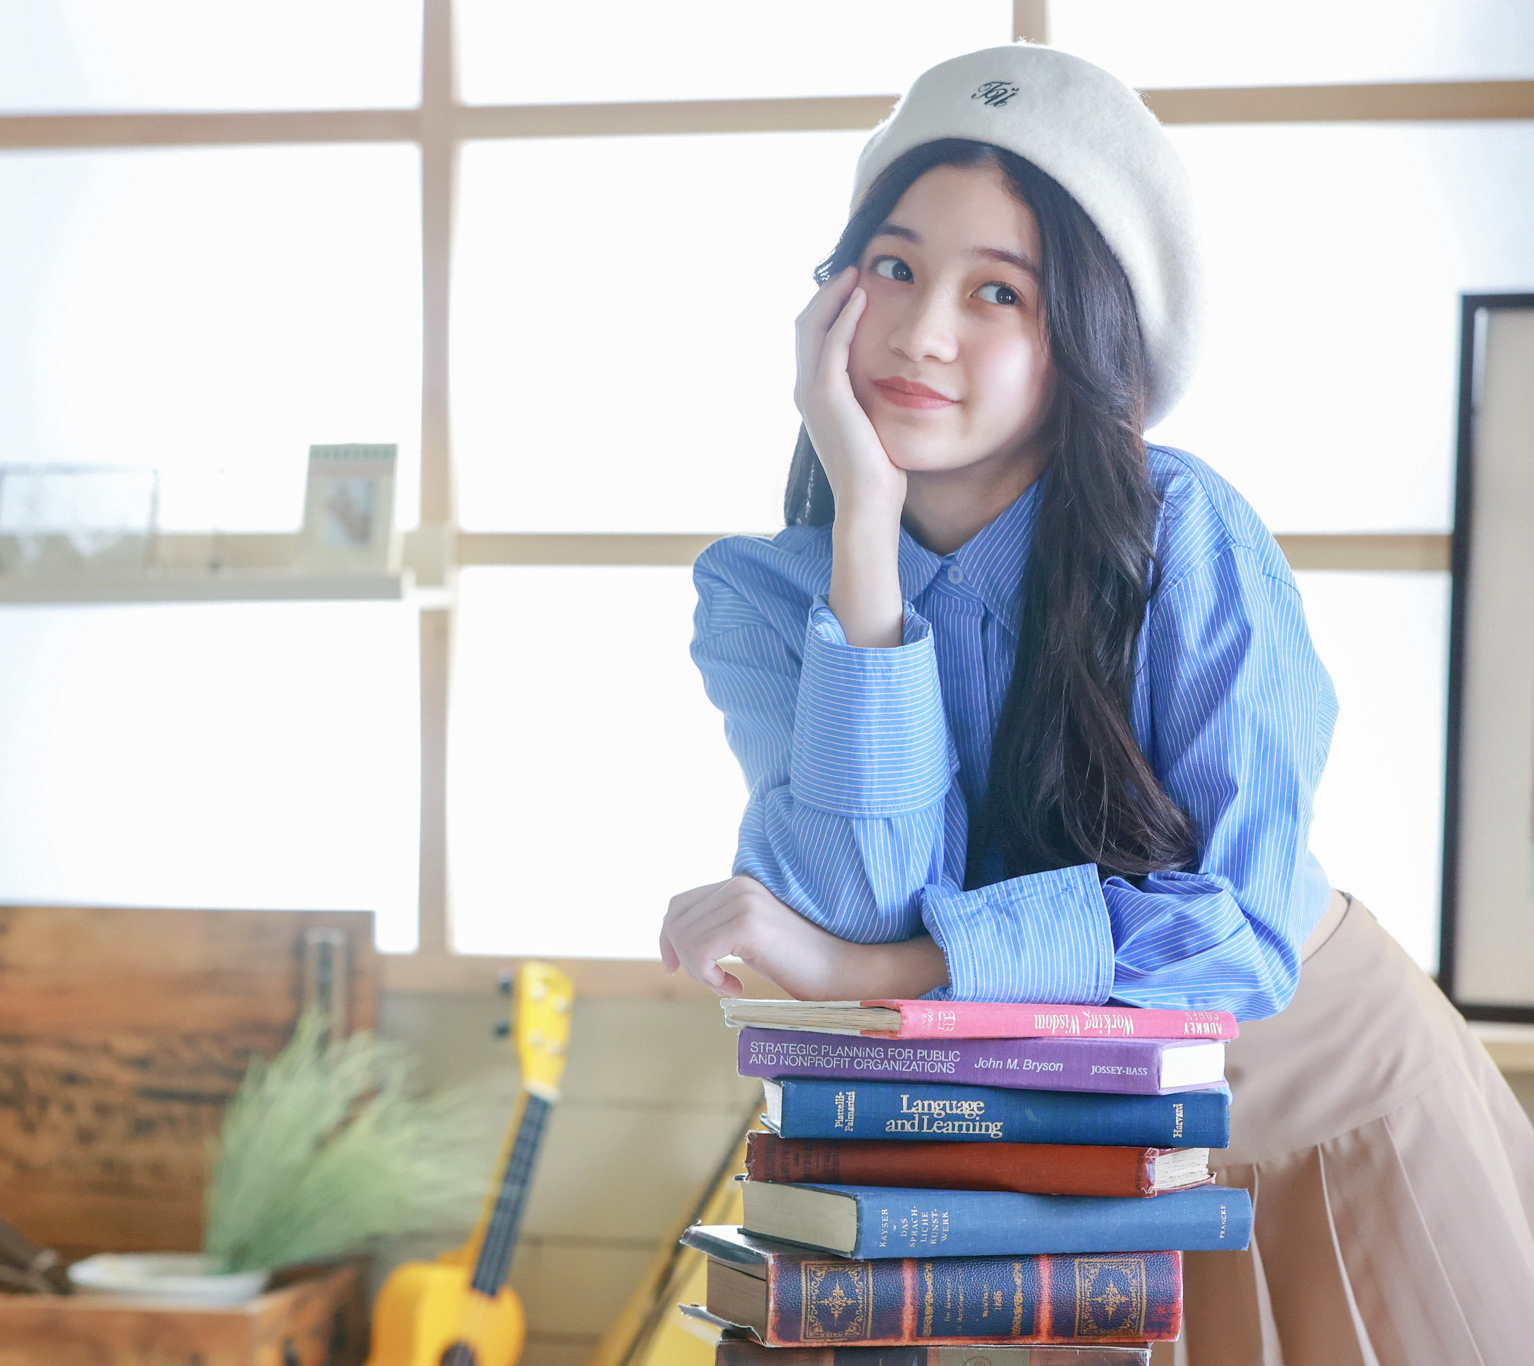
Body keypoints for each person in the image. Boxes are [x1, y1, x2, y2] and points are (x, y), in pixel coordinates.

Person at [657, 43, 1534, 1364]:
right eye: (892, 265)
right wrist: (868, 534)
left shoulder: (1184, 535)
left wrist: (872, 979)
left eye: (997, 290)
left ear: (1085, 338)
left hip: (1314, 1114)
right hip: (1028, 1166)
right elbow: (861, 888)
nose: (922, 329)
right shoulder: (770, 598)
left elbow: (1230, 937)